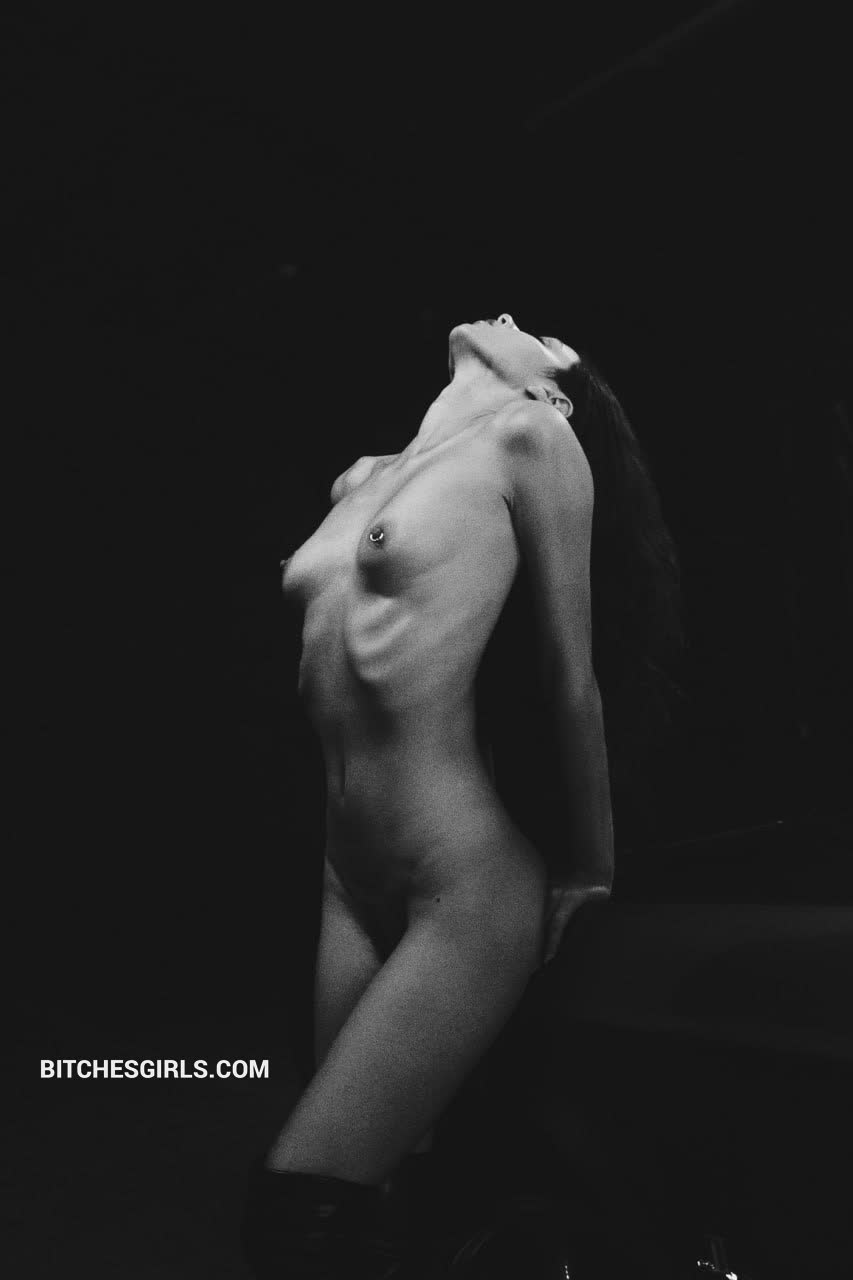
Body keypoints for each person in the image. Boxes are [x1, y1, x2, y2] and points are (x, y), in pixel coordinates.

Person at [242, 314, 680, 1279]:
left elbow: (571, 676)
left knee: (299, 1209)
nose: (511, 318)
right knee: (385, 1206)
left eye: (543, 334)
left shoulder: (531, 438)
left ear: (553, 383)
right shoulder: (362, 478)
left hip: (460, 878)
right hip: (344, 880)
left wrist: (589, 866)